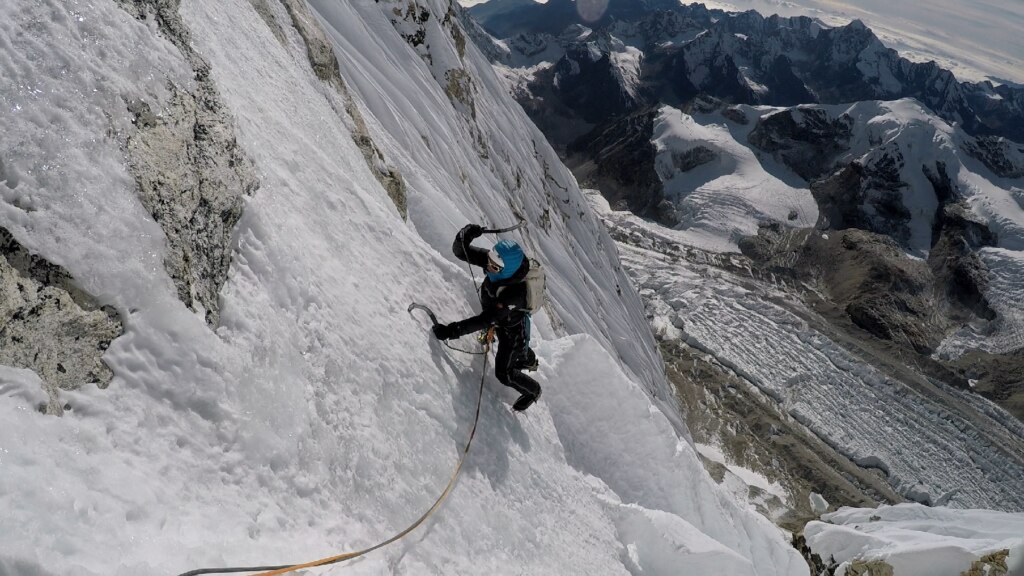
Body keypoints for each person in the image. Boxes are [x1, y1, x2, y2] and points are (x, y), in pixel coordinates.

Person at [432, 224, 542, 412]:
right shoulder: (499, 263)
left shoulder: (515, 294)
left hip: (512, 331)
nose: (488, 267)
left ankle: (533, 390)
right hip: (500, 320)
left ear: (506, 270)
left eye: (494, 266)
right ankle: (525, 357)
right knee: (508, 345)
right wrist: (465, 234)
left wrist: (451, 331)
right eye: (489, 261)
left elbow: (486, 319)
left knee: (504, 373)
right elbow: (461, 251)